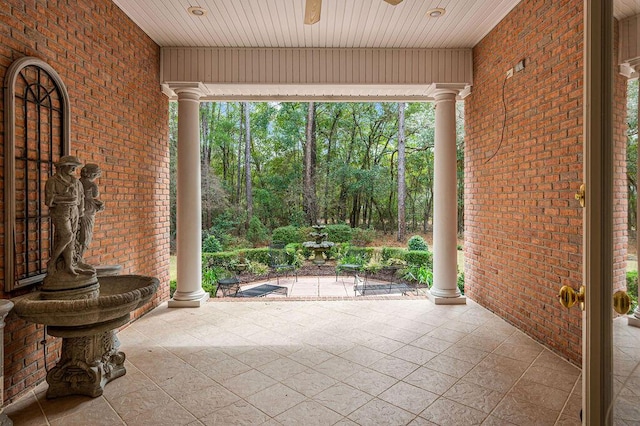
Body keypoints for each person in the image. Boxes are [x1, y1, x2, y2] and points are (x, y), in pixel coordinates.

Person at [45, 155, 86, 276]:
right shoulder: (53, 181)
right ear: (64, 166)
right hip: (60, 211)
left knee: (72, 239)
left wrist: (81, 210)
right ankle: (52, 262)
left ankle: (69, 265)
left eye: (75, 167)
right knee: (67, 236)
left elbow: (81, 197)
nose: (74, 169)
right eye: (72, 167)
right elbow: (49, 200)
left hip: (74, 211)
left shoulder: (76, 182)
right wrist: (65, 198)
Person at [76, 164, 104, 262]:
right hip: (88, 209)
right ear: (93, 174)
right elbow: (95, 195)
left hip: (78, 208)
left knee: (78, 234)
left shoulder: (78, 182)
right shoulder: (92, 184)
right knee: (86, 235)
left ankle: (76, 257)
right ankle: (79, 259)